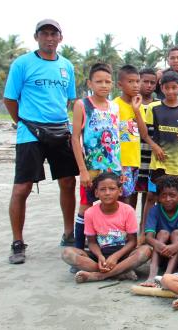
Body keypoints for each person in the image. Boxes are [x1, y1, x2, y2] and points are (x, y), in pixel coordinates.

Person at [4, 19, 78, 264]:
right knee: (22, 187)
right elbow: (10, 99)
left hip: (60, 129)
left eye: (53, 34)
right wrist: (23, 122)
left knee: (68, 182)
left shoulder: (66, 66)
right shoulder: (22, 63)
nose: (49, 38)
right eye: (44, 33)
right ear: (36, 37)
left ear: (60, 38)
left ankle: (69, 234)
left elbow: (69, 100)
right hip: (29, 132)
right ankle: (17, 242)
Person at [61, 172, 151, 283]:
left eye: (112, 189)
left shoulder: (128, 210)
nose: (107, 193)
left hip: (123, 255)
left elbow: (132, 242)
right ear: (96, 193)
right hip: (100, 257)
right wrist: (99, 256)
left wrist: (115, 257)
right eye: (103, 189)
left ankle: (99, 275)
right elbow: (92, 242)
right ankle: (119, 272)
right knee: (67, 253)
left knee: (146, 251)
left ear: (120, 191)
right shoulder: (90, 213)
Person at [71, 63, 122, 251]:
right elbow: (75, 138)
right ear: (89, 83)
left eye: (108, 81)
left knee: (113, 203)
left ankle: (110, 246)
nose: (104, 85)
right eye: (99, 81)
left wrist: (121, 168)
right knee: (86, 205)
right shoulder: (82, 105)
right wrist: (82, 170)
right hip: (92, 167)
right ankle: (78, 249)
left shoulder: (114, 107)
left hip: (113, 167)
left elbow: (116, 139)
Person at [145, 71, 178, 183]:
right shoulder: (153, 107)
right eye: (167, 88)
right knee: (154, 195)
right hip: (159, 162)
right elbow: (145, 133)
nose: (170, 91)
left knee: (175, 195)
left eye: (174, 87)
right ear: (161, 88)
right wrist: (154, 146)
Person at [141, 175, 178, 287]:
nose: (168, 199)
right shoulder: (155, 210)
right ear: (158, 198)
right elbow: (148, 236)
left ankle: (167, 276)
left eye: (172, 195)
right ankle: (152, 277)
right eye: (163, 195)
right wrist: (160, 245)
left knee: (177, 233)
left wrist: (175, 246)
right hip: (161, 254)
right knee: (162, 233)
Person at [114, 65, 154, 208]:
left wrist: (137, 110)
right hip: (119, 161)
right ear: (120, 84)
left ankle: (127, 229)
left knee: (128, 196)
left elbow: (144, 134)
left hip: (134, 160)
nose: (136, 85)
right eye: (130, 81)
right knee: (120, 199)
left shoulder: (137, 105)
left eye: (137, 81)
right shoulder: (114, 105)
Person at [137, 67, 159, 243]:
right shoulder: (131, 103)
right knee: (130, 192)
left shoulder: (158, 105)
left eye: (153, 82)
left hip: (151, 155)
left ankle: (144, 230)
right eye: (145, 81)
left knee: (149, 193)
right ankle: (129, 230)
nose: (149, 85)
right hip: (134, 155)